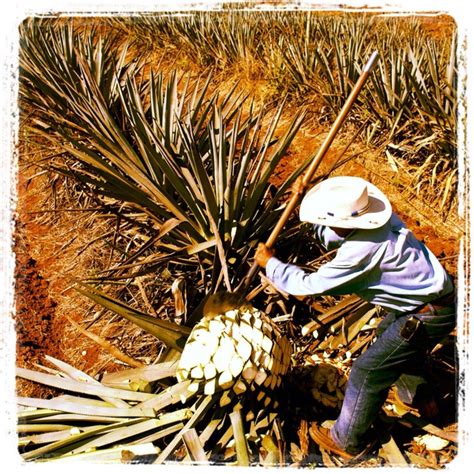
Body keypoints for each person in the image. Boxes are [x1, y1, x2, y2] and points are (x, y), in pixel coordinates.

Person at [254, 175, 456, 460]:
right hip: (430, 302)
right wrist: (302, 200)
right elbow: (336, 232)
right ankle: (419, 397)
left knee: (368, 371)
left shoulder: (361, 252)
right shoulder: (380, 221)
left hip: (427, 313)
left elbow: (308, 286)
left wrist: (270, 264)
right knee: (391, 343)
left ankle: (347, 440)